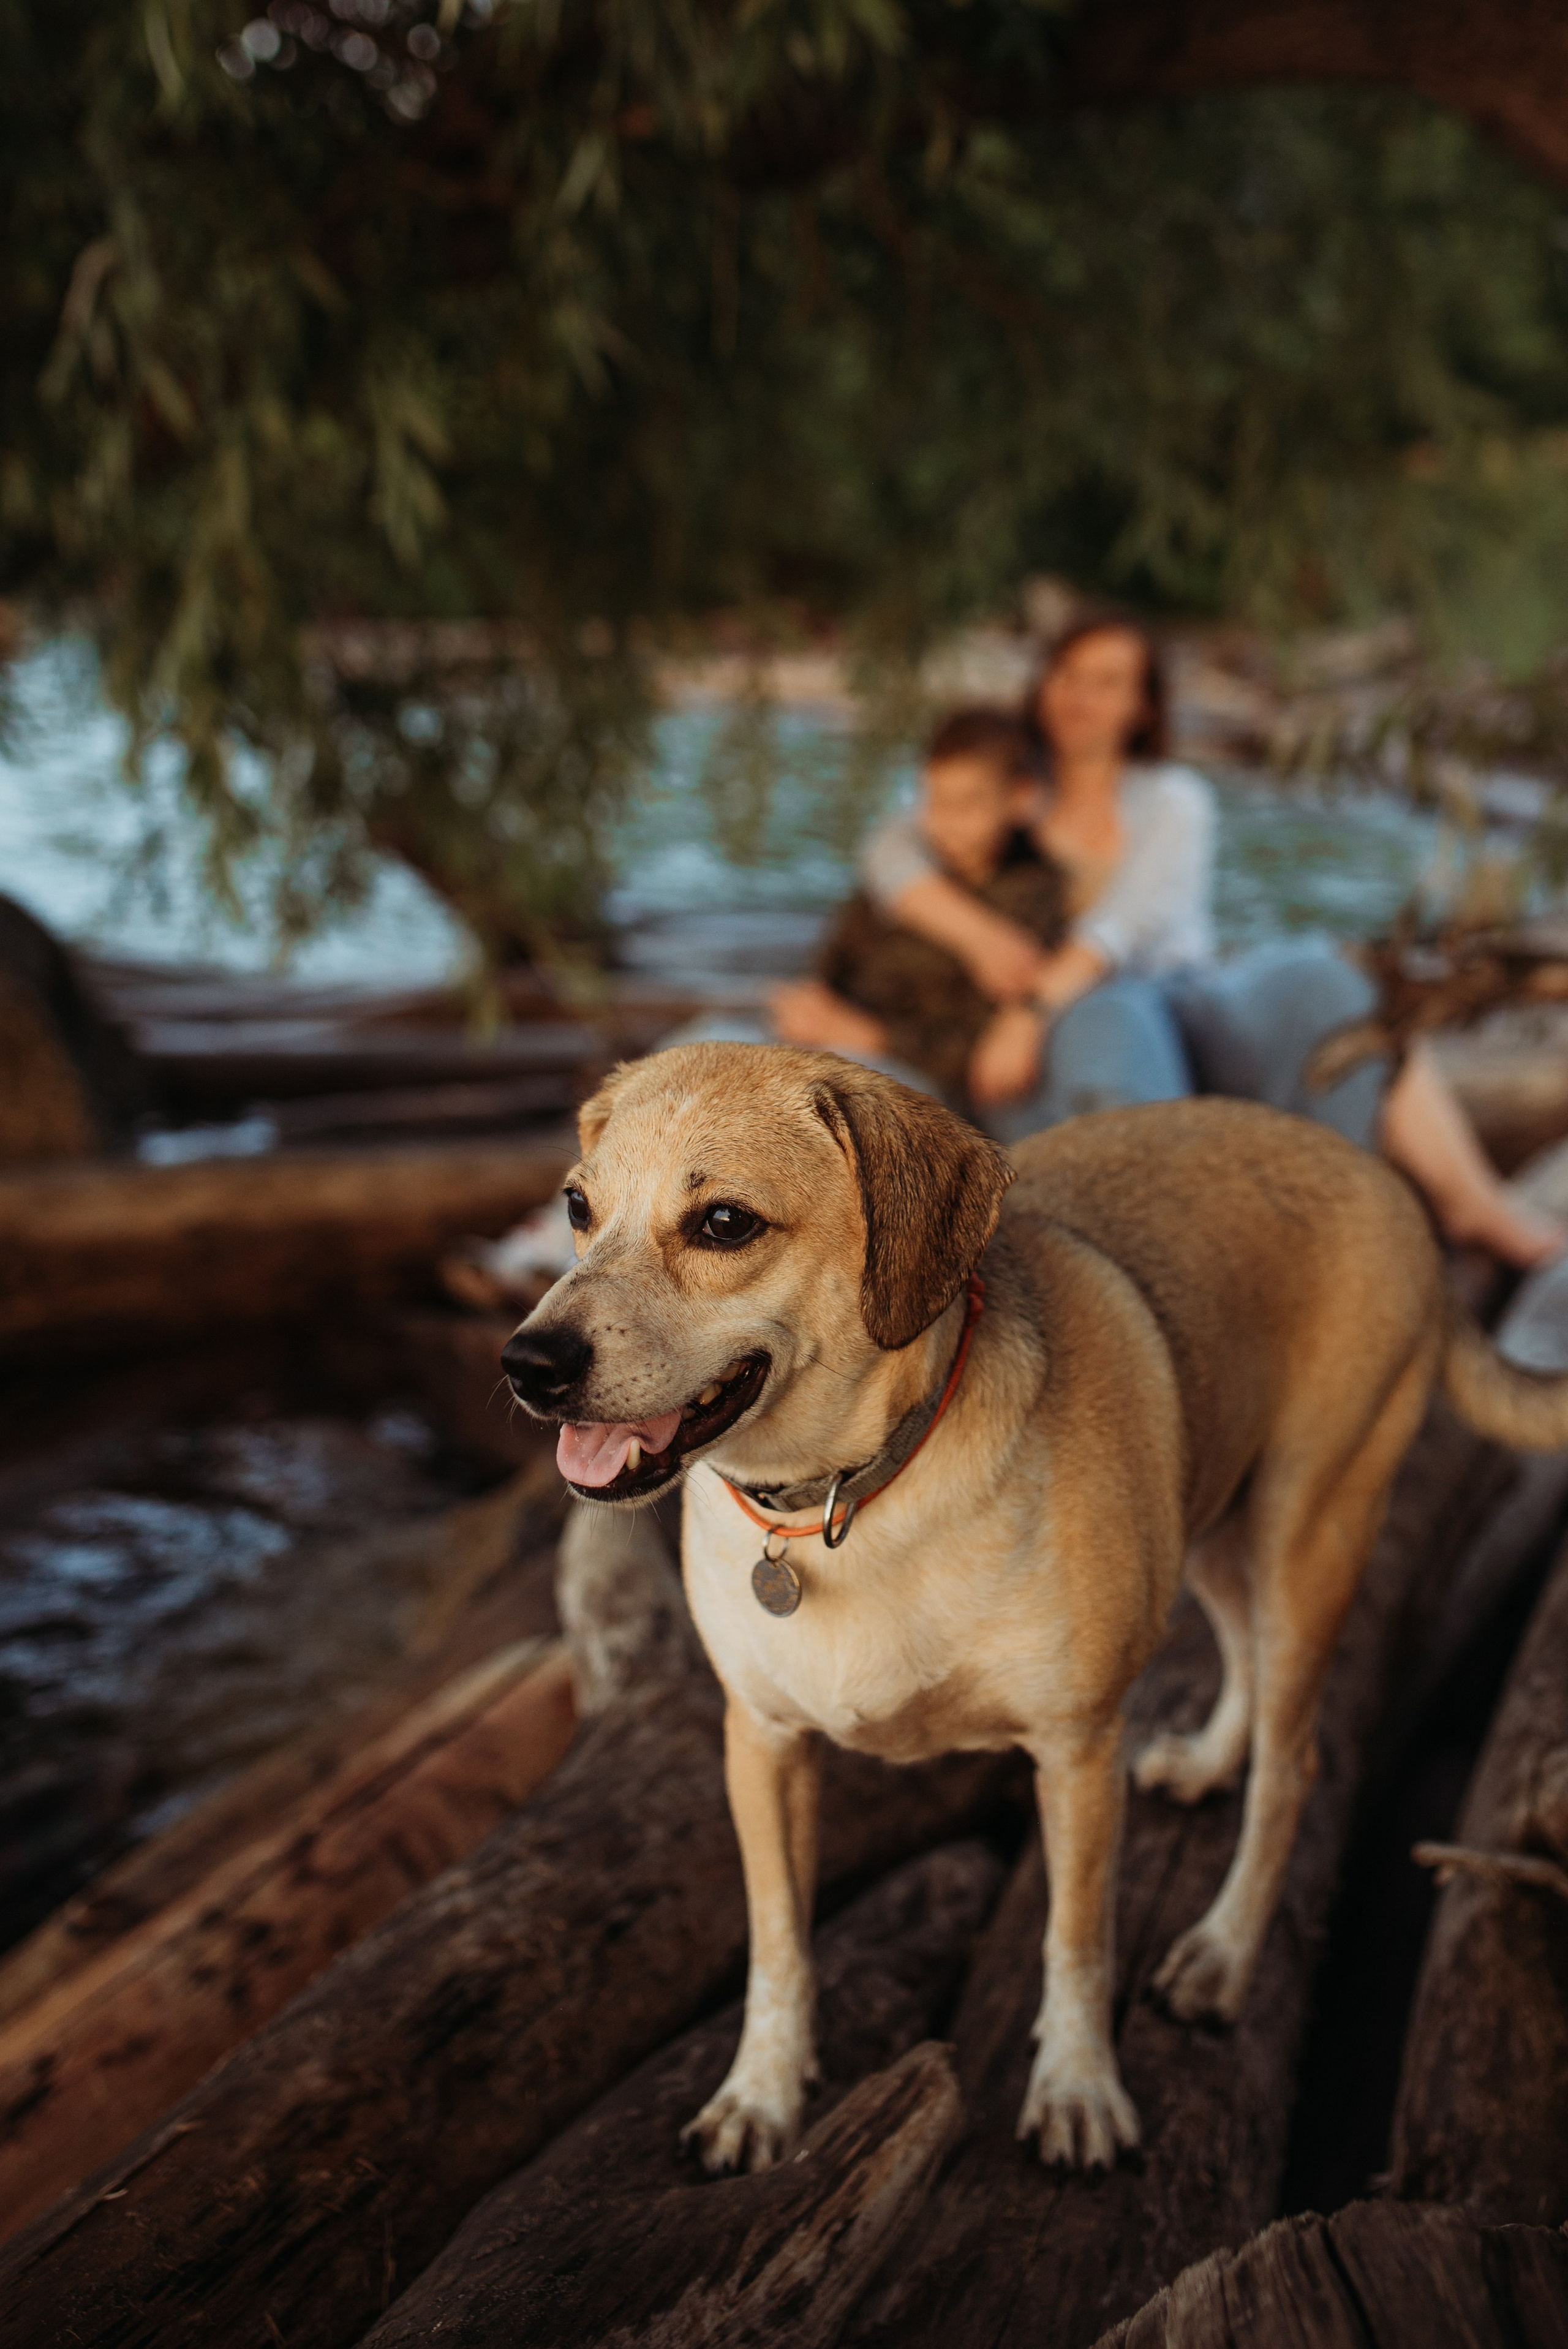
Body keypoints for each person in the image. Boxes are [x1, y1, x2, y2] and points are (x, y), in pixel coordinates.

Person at [857, 611, 1563, 1267]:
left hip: (1182, 994)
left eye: (1108, 682)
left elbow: (1120, 929)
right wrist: (980, 938)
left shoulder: (1171, 799)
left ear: (1143, 705)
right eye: (1067, 675)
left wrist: (1029, 1009)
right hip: (1089, 1025)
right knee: (1115, 1022)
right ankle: (1178, 1256)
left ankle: (1440, 1209)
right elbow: (891, 851)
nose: (1080, 697)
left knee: (1326, 980)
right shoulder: (1007, 785)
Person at [770, 707, 1068, 1104]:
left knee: (831, 1099)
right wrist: (812, 1000)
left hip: (912, 1079)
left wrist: (870, 1037)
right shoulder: (907, 877)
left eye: (968, 804)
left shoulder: (1035, 899)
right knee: (703, 1046)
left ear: (1021, 798)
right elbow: (836, 955)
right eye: (936, 801)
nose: (946, 822)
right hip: (830, 1040)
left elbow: (987, 1046)